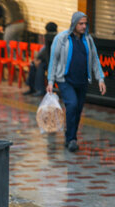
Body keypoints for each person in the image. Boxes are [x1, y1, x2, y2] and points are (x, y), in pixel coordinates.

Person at [46, 11, 106, 152]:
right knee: (72, 105)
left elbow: (95, 60)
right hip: (65, 80)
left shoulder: (88, 40)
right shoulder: (61, 38)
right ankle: (72, 139)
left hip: (82, 81)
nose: (84, 26)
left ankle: (70, 135)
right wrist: (50, 80)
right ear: (74, 23)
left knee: (77, 110)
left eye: (85, 23)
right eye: (81, 23)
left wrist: (100, 79)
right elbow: (53, 60)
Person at [23, 22, 57, 97]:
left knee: (40, 67)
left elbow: (48, 51)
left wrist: (39, 59)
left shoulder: (56, 38)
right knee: (33, 64)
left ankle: (41, 89)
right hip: (46, 60)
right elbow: (44, 50)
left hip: (54, 63)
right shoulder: (49, 37)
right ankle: (32, 87)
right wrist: (38, 59)